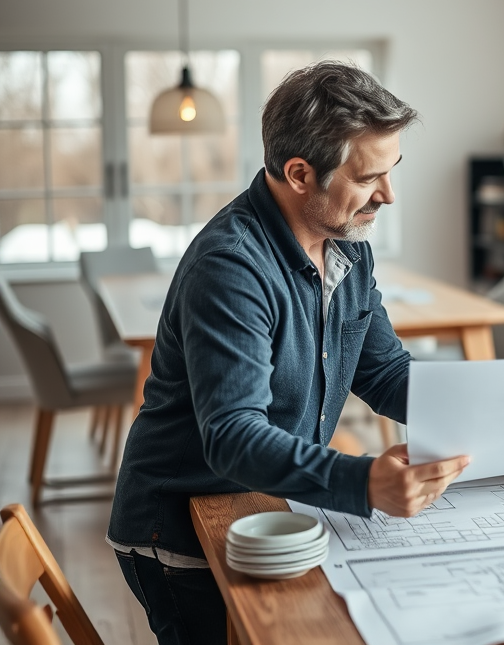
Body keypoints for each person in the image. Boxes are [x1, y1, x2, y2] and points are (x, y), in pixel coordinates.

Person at [107, 61, 469, 645]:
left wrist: (492, 405)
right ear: (301, 173)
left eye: (392, 170)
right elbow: (232, 433)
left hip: (268, 507)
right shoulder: (231, 266)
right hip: (181, 530)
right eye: (369, 176)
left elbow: (382, 370)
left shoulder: (347, 246)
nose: (389, 195)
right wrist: (364, 483)